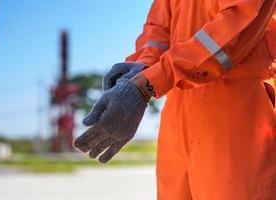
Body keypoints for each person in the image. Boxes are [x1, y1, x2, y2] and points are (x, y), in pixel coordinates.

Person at [75, 0, 276, 199]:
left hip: (237, 112)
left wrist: (149, 82)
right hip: (177, 113)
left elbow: (240, 21)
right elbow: (157, 30)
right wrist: (143, 69)